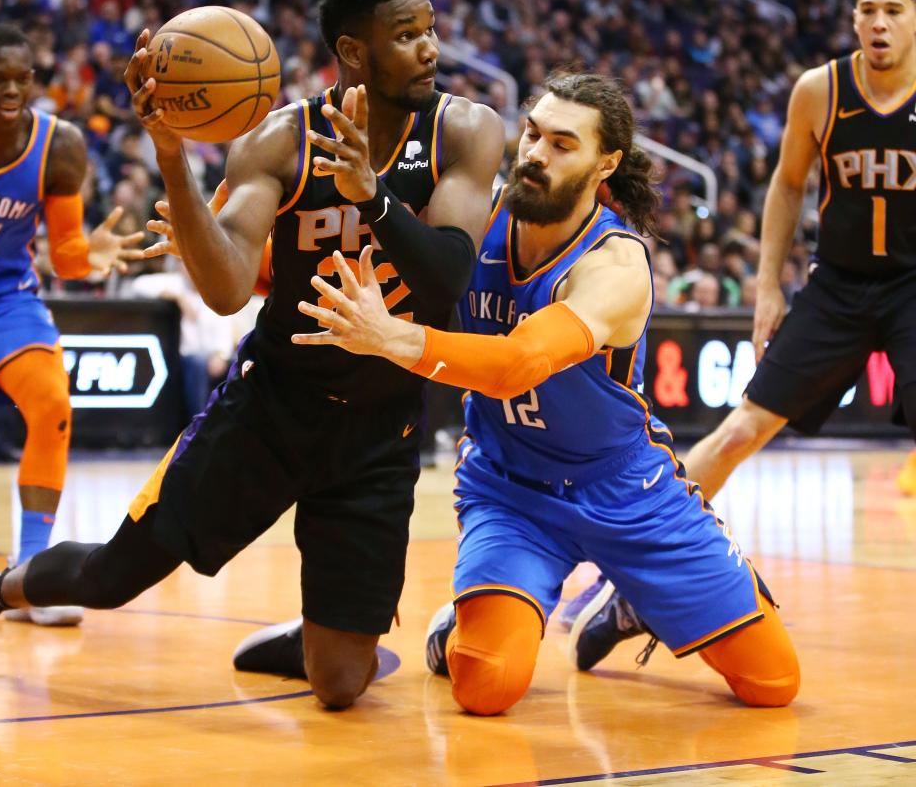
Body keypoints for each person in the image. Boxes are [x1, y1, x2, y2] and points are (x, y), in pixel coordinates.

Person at [0, 0, 504, 711]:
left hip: (381, 430)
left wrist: (373, 200)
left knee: (342, 687)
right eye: (407, 34)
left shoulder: (465, 131)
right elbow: (220, 291)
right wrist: (174, 160)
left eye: (431, 29)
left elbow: (447, 283)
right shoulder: (279, 142)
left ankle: (310, 637)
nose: (431, 47)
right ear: (352, 52)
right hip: (270, 409)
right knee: (109, 581)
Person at [277, 71, 800, 715]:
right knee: (486, 686)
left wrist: (392, 339)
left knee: (774, 685)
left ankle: (633, 600)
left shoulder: (614, 265)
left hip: (625, 489)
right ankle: (457, 628)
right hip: (509, 487)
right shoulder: (478, 216)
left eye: (562, 144)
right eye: (530, 134)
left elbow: (516, 366)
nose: (534, 154)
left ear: (605, 161)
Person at [567, 0, 916, 660]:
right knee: (737, 433)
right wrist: (765, 286)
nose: (879, 24)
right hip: (840, 286)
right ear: (853, 17)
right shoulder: (820, 91)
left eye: (895, 11)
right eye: (869, 10)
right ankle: (639, 583)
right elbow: (787, 187)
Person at [0, 24, 142, 627]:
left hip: (0, 300)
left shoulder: (59, 145)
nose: (12, 89)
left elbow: (63, 255)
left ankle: (29, 573)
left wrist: (92, 251)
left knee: (52, 405)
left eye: (22, 78)